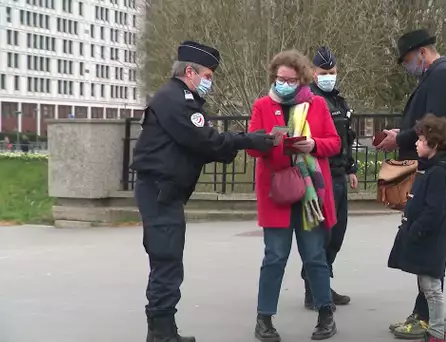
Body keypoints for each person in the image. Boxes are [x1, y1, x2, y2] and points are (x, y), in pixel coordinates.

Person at [130, 40, 275, 342]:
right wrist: (247, 140)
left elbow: (202, 144)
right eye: (208, 75)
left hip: (162, 190)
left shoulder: (178, 98)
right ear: (190, 72)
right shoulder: (176, 99)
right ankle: (160, 333)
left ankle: (164, 330)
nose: (210, 81)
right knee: (167, 259)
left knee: (167, 259)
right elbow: (204, 141)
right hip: (160, 190)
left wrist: (239, 141)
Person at [375, 28, 446, 336]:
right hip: (426, 165)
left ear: (422, 53)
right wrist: (399, 136)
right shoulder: (437, 74)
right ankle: (421, 312)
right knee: (423, 243)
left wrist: (399, 138)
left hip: (431, 169)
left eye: (408, 61)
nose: (407, 67)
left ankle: (427, 317)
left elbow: (433, 127)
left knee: (428, 246)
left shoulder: (442, 75)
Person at [247, 49, 341, 341]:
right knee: (274, 256)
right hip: (277, 191)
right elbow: (251, 146)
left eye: (289, 79)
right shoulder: (262, 105)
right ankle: (264, 319)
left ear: (301, 79)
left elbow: (334, 143)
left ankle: (325, 314)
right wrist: (268, 142)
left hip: (309, 193)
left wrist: (312, 143)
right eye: (279, 79)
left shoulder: (318, 106)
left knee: (314, 256)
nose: (283, 84)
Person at [387, 114, 446, 342]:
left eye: (420, 140)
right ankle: (436, 327)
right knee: (427, 284)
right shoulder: (431, 169)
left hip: (429, 239)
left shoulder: (439, 173)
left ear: (435, 145)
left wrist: (416, 229)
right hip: (426, 237)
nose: (415, 143)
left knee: (431, 287)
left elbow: (434, 210)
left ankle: (439, 331)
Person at [300, 46, 357, 311]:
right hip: (320, 175)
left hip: (338, 174)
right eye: (324, 73)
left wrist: (351, 168)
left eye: (332, 72)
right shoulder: (309, 99)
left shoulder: (338, 101)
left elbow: (347, 139)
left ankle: (324, 282)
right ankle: (313, 290)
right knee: (321, 235)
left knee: (337, 234)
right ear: (313, 73)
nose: (329, 77)